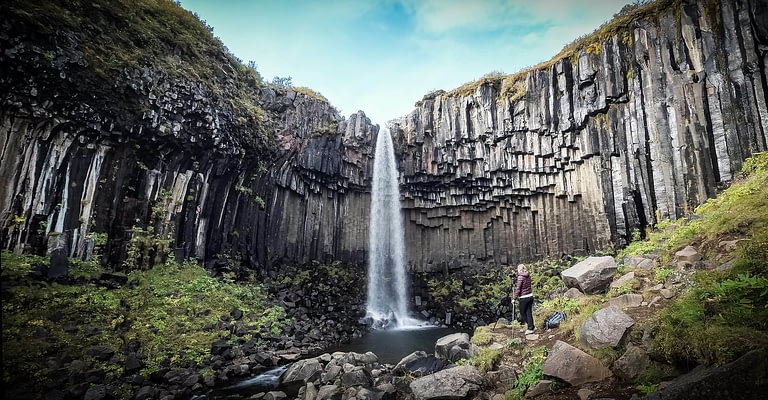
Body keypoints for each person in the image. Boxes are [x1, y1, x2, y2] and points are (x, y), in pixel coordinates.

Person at [513, 263, 536, 334]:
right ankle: (531, 327)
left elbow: (518, 289)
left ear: (519, 269)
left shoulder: (520, 277)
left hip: (524, 297)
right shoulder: (528, 275)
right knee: (529, 312)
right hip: (530, 296)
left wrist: (514, 298)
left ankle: (530, 327)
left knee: (522, 312)